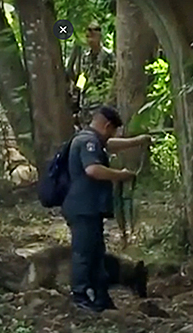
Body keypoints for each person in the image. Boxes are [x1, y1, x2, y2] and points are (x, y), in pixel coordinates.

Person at [63, 106, 150, 312]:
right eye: (111, 131)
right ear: (107, 126)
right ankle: (81, 295)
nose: (111, 136)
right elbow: (93, 170)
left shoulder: (91, 139)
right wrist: (121, 175)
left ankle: (101, 297)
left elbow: (109, 145)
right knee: (83, 254)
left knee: (96, 253)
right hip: (82, 208)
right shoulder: (87, 142)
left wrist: (138, 141)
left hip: (90, 209)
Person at [72, 21, 116, 126]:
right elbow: (83, 76)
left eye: (93, 35)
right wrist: (77, 90)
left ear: (99, 36)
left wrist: (109, 100)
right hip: (86, 105)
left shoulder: (108, 56)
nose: (90, 39)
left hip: (101, 104)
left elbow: (113, 78)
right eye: (88, 36)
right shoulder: (85, 56)